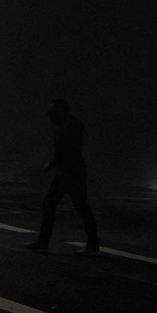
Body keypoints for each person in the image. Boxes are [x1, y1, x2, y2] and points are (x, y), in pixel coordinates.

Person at [23, 99, 100, 254]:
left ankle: (45, 242)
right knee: (76, 207)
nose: (50, 114)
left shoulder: (67, 127)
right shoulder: (69, 125)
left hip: (70, 172)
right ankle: (91, 244)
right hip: (69, 171)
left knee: (74, 207)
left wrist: (51, 165)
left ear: (61, 110)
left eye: (53, 110)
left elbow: (65, 151)